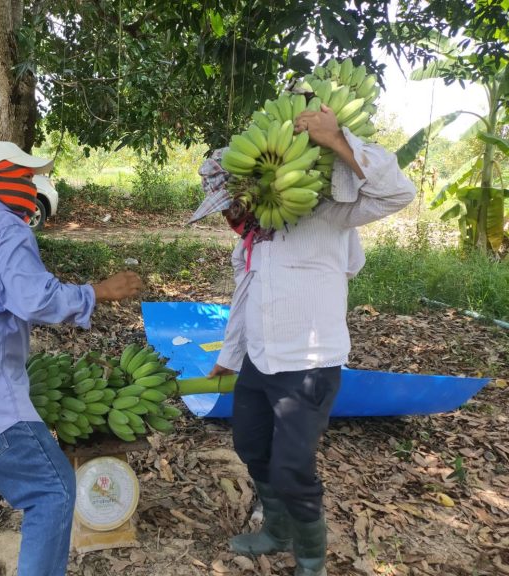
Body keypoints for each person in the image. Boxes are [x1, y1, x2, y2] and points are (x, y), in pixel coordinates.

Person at [190, 104, 416, 576]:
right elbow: (245, 295)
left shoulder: (333, 214)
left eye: (238, 199)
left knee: (294, 469)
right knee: (251, 446)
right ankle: (276, 530)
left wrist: (337, 141)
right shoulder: (252, 238)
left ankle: (311, 559)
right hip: (259, 360)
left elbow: (397, 192)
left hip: (310, 365)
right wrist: (230, 357)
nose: (234, 211)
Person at [0, 141, 143, 576]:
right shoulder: (7, 230)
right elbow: (34, 299)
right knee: (51, 491)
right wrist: (98, 291)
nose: (33, 187)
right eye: (28, 177)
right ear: (6, 177)